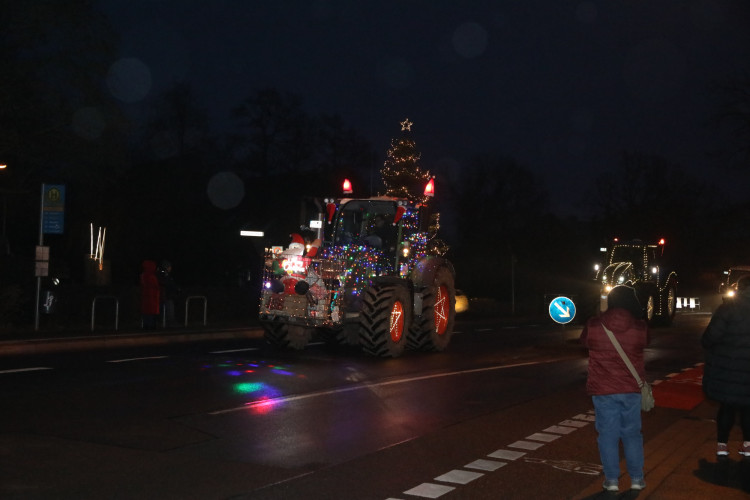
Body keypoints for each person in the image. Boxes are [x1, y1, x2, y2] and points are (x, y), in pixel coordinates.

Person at [580, 285, 649, 492]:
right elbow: (645, 342)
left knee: (608, 435)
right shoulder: (640, 327)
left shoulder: (594, 324)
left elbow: (584, 341)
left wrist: (600, 313)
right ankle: (637, 478)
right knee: (632, 434)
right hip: (631, 389)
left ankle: (611, 481)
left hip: (603, 390)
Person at [702, 275, 750, 457]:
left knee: (727, 407)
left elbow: (710, 338)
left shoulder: (728, 308)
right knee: (748, 408)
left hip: (728, 369)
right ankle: (748, 445)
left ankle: (722, 445)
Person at [157, 260, 179, 327]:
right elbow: (168, 284)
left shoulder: (162, 274)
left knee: (165, 309)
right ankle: (169, 323)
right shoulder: (164, 274)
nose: (170, 268)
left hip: (165, 295)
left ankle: (165, 322)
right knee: (169, 309)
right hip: (166, 295)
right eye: (169, 267)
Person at [140, 260, 160, 330]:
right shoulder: (152, 276)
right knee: (151, 313)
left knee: (146, 312)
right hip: (152, 297)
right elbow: (156, 286)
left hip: (146, 297)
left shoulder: (143, 275)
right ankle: (151, 326)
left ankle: (146, 325)